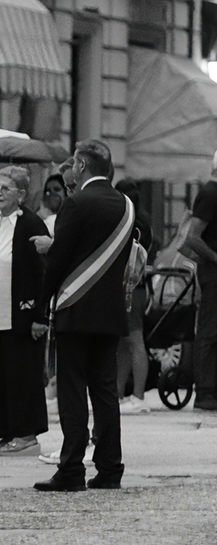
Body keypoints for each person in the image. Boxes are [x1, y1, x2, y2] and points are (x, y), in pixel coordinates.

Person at [35, 140, 133, 491]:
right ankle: (109, 468)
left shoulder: (75, 203)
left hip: (75, 309)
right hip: (109, 313)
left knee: (72, 392)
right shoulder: (126, 205)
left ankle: (72, 469)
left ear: (80, 165)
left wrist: (40, 307)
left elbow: (61, 261)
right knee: (105, 392)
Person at [0, 167, 49, 457]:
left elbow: (43, 273)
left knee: (22, 374)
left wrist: (40, 316)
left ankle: (27, 433)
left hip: (20, 313)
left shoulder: (32, 224)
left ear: (21, 194)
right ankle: (6, 431)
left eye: (6, 188)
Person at [115, 177, 154, 413]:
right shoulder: (144, 222)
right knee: (124, 342)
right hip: (137, 286)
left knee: (135, 341)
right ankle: (120, 393)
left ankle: (138, 395)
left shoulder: (130, 223)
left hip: (130, 287)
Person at [182, 151, 217, 410]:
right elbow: (193, 236)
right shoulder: (210, 193)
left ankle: (209, 390)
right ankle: (204, 392)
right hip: (213, 273)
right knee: (209, 331)